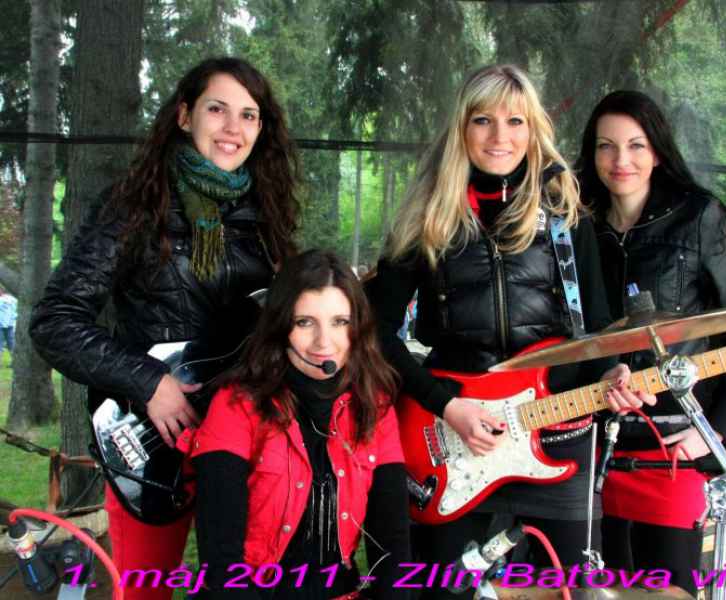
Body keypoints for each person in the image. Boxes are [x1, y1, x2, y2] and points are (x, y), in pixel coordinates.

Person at [366, 64, 653, 598]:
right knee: (448, 591)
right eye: (483, 120)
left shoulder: (566, 213)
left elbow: (595, 330)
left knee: (566, 590)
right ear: (462, 128)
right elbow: (373, 333)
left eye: (515, 121)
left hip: (560, 437)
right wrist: (446, 405)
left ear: (533, 129)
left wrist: (613, 371)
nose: (500, 136)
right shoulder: (427, 217)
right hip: (452, 439)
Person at [30, 57, 301, 600]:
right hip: (152, 436)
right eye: (217, 109)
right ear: (184, 115)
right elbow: (54, 320)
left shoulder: (265, 214)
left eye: (249, 115)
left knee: (248, 587)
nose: (233, 128)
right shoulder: (136, 204)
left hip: (243, 435)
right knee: (144, 590)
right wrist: (149, 382)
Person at [576, 90, 726, 595]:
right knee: (598, 589)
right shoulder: (576, 224)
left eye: (636, 145)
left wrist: (715, 429)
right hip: (592, 443)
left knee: (668, 591)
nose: (621, 160)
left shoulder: (697, 217)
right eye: (606, 146)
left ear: (657, 151)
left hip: (673, 446)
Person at [192, 250, 410, 599]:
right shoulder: (234, 405)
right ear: (281, 327)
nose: (324, 342)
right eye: (305, 322)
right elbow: (221, 561)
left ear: (358, 328)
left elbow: (392, 543)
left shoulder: (375, 405)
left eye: (340, 322)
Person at [0, 286, 16, 359]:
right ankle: (14, 360)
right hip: (10, 324)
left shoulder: (3, 299)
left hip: (4, 324)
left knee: (5, 344)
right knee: (11, 344)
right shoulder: (13, 299)